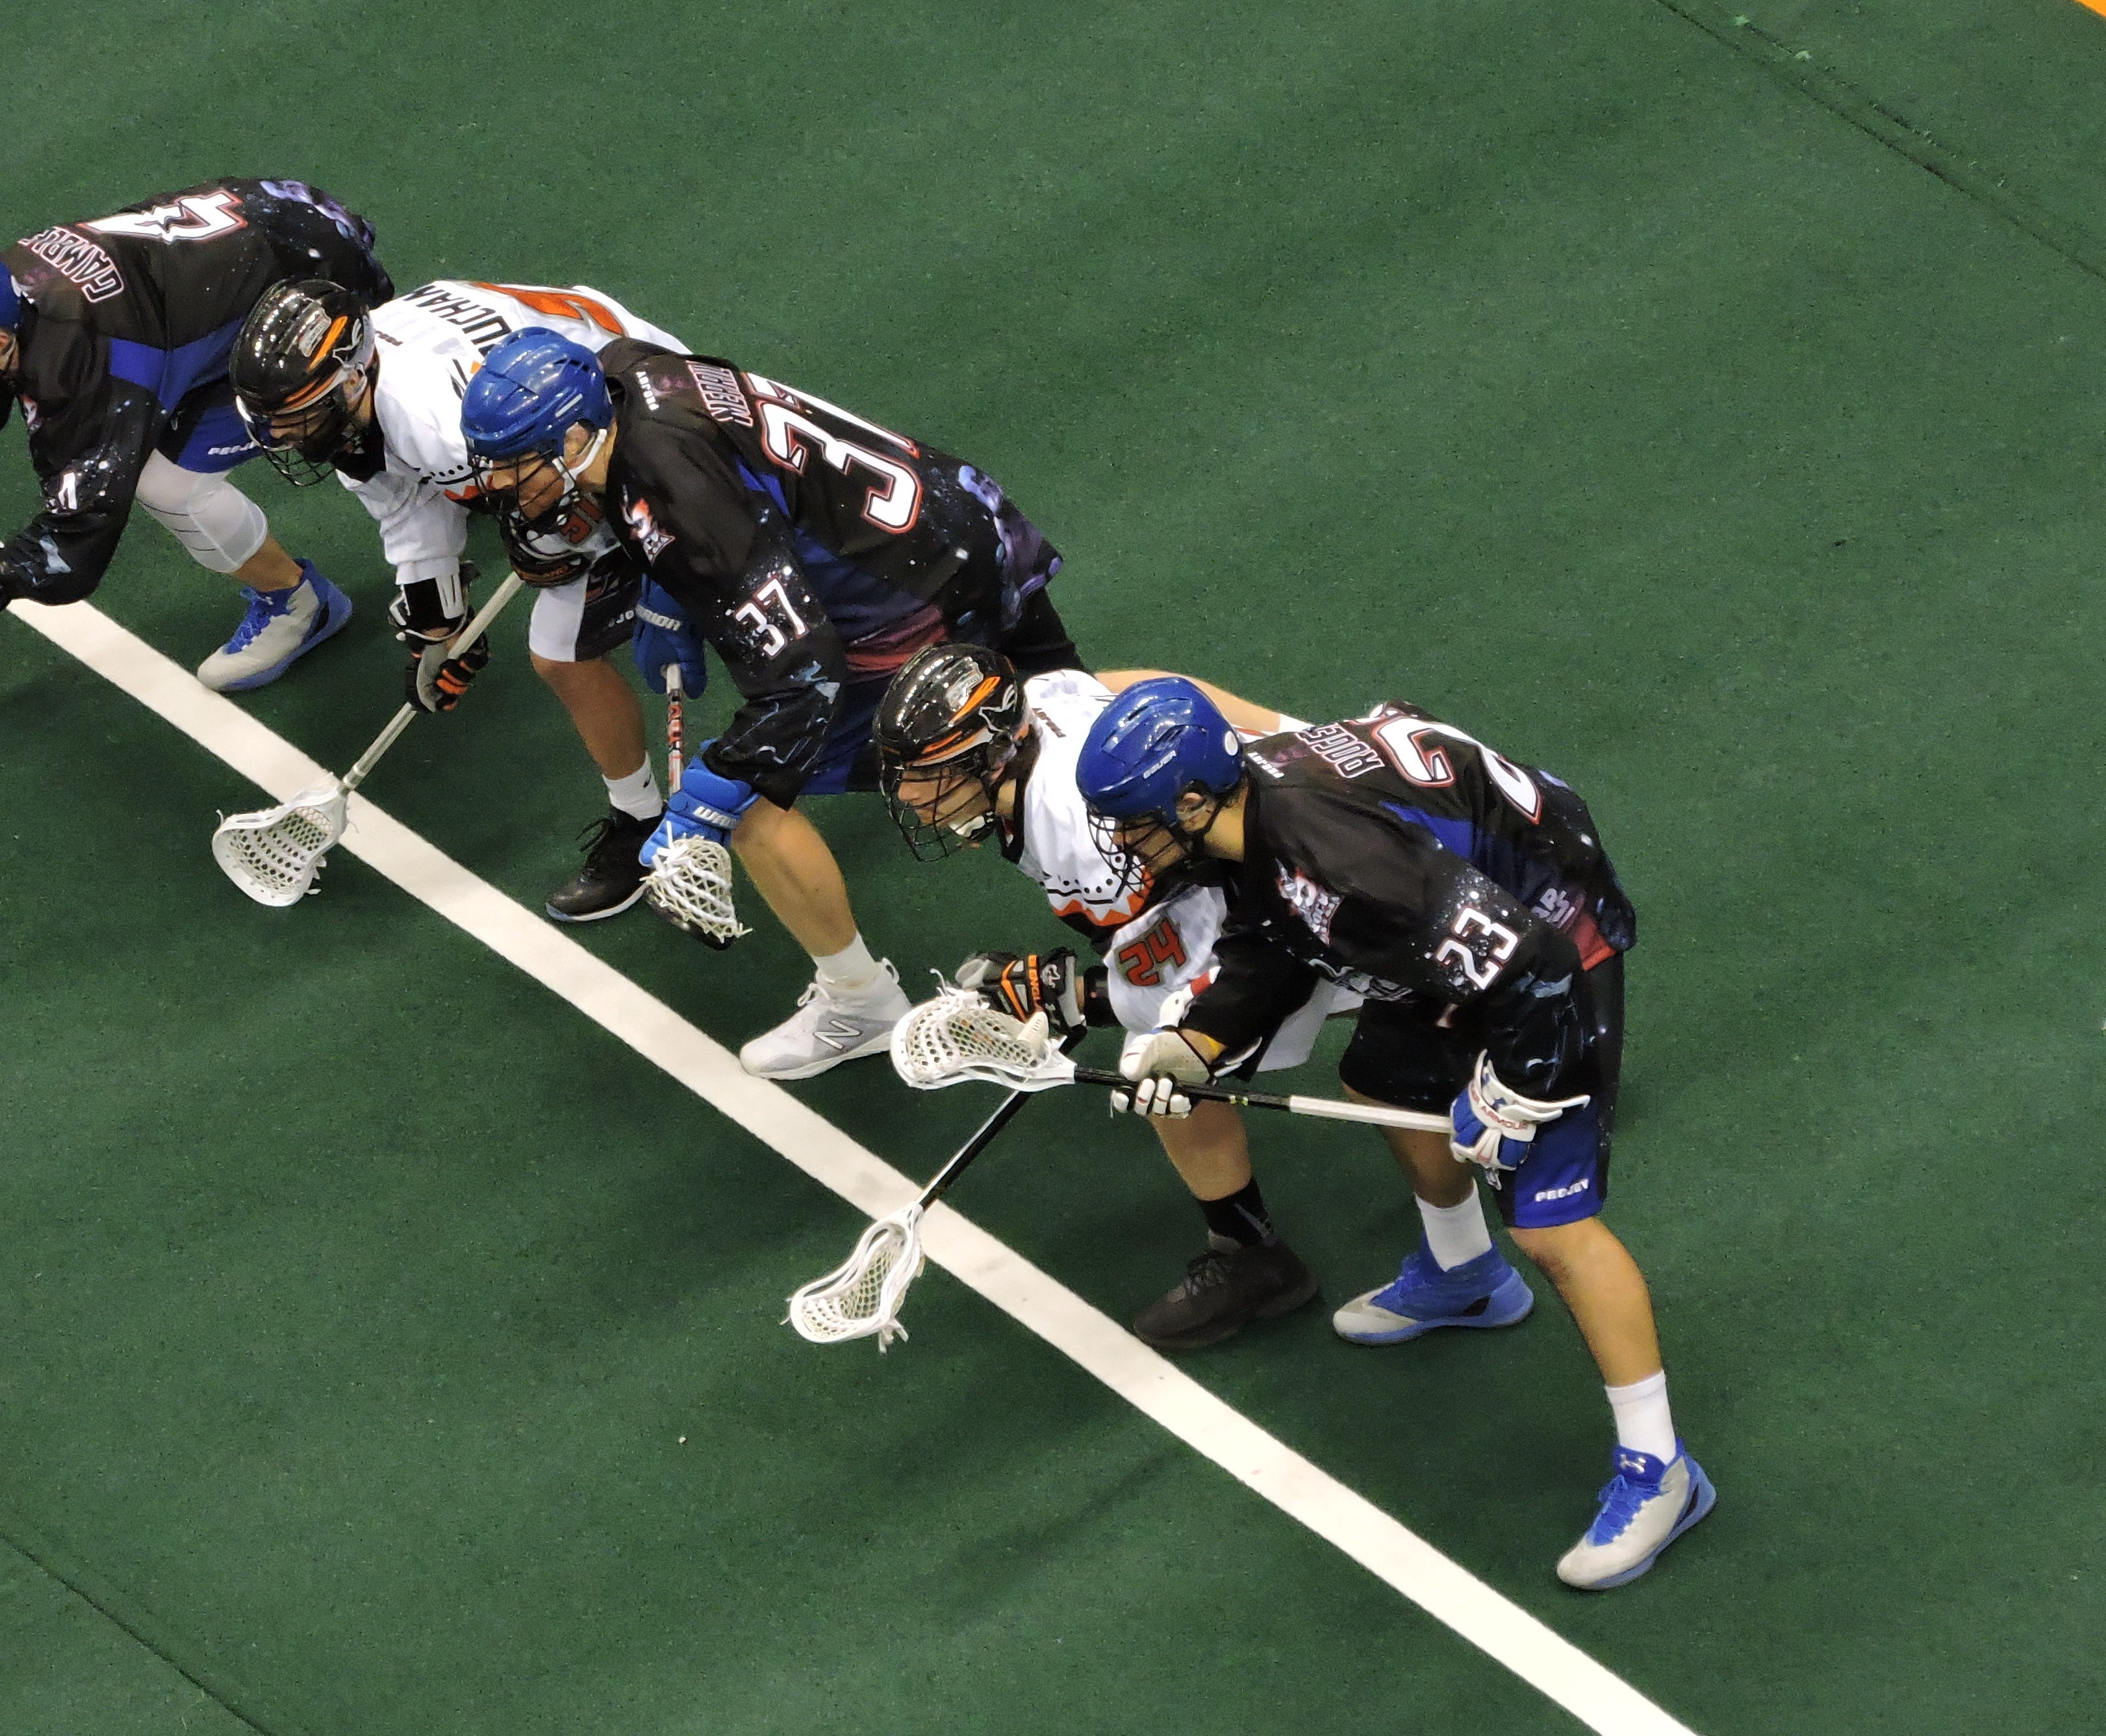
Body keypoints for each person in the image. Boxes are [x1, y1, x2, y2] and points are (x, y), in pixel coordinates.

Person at [1074, 682, 1710, 1590]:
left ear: (1188, 802)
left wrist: (1513, 1096)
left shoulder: (1345, 865)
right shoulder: (1242, 813)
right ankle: (1464, 1277)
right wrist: (1194, 1044)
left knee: (1549, 1225)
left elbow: (1536, 966)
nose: (1121, 843)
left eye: (1130, 822)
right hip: (1463, 919)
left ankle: (1663, 1472)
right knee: (1382, 1081)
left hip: (1548, 935)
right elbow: (1270, 934)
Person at [458, 329, 1081, 1077]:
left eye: (516, 465)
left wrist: (703, 804)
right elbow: (729, 470)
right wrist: (665, 593)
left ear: (577, 434)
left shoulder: (675, 486)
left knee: (767, 803)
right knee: (1068, 705)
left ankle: (861, 1006)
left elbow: (802, 673)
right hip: (960, 518)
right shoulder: (626, 370)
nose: (499, 486)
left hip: (902, 601)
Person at [874, 645, 1355, 1348]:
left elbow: (1205, 955)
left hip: (1301, 877)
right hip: (1290, 815)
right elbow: (1152, 684)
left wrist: (1072, 997)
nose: (910, 795)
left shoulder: (1081, 834)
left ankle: (1253, 1259)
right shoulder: (1044, 701)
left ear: (990, 758)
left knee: (1163, 1058)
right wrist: (1294, 735)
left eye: (927, 776)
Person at [229, 278, 689, 919]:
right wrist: (438, 620)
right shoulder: (368, 399)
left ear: (353, 382)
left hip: (628, 413)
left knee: (562, 650)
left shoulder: (436, 420)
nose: (280, 433)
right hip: (575, 384)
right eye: (271, 417)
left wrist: (553, 539)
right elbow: (408, 500)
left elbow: (551, 481)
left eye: (293, 415)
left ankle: (642, 822)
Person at [0, 178, 392, 691]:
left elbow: (73, 551)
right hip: (270, 222)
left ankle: (300, 605)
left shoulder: (85, 370)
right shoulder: (0, 294)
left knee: (170, 487)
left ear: (1, 346)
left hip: (309, 290)